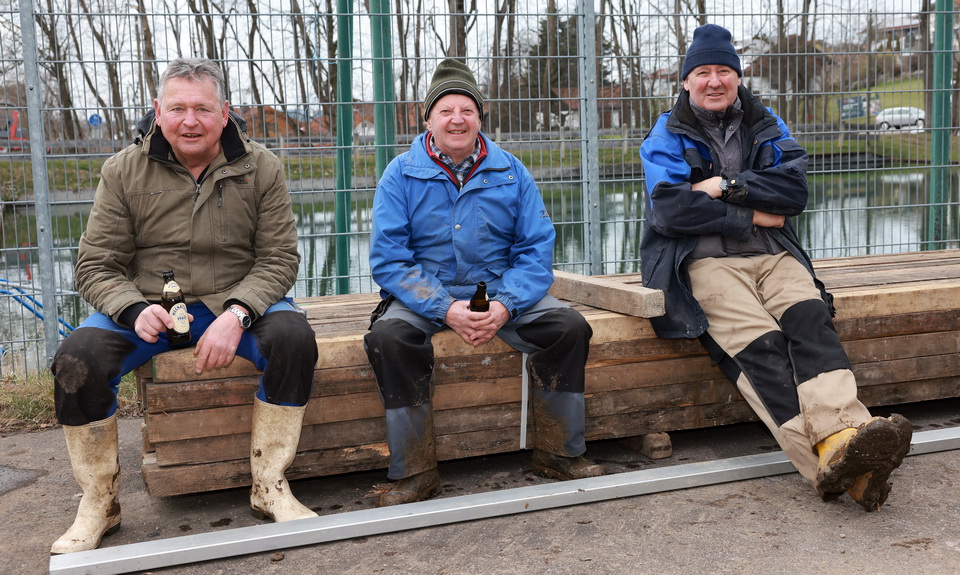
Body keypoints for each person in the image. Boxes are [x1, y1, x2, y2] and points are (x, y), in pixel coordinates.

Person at [49, 58, 319, 554]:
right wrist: (133, 309)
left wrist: (238, 314)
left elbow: (279, 259)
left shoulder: (262, 167)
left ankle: (270, 484)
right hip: (147, 306)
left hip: (235, 300)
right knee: (76, 360)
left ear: (225, 113)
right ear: (158, 111)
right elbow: (96, 265)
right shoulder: (122, 170)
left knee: (294, 339)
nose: (189, 121)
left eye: (202, 109)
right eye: (177, 109)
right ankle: (99, 501)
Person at [639, 24, 912, 512]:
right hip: (704, 261)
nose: (714, 81)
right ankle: (837, 463)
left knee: (811, 320)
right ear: (686, 81)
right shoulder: (667, 134)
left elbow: (794, 193)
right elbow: (670, 211)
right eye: (703, 72)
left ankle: (844, 441)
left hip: (772, 253)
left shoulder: (766, 123)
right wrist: (751, 213)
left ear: (738, 77)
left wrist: (722, 187)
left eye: (724, 71)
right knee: (762, 347)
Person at [364, 58, 603, 507]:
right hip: (425, 294)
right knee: (388, 339)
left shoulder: (511, 171)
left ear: (480, 116)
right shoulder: (400, 174)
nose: (457, 119)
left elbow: (536, 250)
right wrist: (444, 308)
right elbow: (390, 259)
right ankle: (416, 472)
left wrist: (506, 304)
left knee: (569, 328)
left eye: (467, 110)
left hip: (498, 289)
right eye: (446, 110)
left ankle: (558, 453)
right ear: (428, 118)